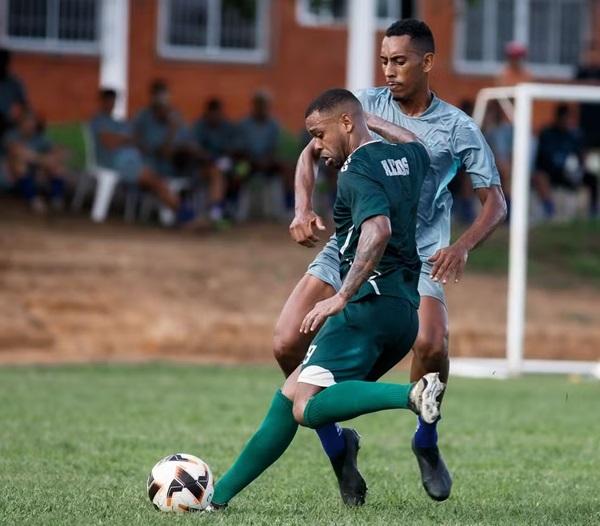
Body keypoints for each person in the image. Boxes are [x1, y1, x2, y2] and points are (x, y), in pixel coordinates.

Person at [276, 19, 507, 504]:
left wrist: (461, 245)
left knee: (432, 342)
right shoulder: (359, 106)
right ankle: (338, 446)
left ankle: (426, 441)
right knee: (284, 341)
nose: (389, 71)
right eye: (383, 60)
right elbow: (310, 152)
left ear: (426, 62)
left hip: (417, 252)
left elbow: (495, 203)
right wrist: (302, 207)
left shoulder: (457, 127)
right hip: (353, 245)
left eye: (399, 61)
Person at [208, 88, 444, 510]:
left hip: (365, 309)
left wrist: (341, 297)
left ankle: (411, 396)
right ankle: (217, 498)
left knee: (306, 406)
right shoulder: (407, 159)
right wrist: (370, 122)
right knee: (290, 393)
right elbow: (416, 144)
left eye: (319, 134)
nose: (315, 146)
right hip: (403, 312)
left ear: (347, 124)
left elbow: (378, 230)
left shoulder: (357, 172)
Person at [89, 88, 189, 220]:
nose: (111, 104)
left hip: (132, 161)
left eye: (113, 101)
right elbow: (109, 143)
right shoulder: (98, 121)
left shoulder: (119, 122)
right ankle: (185, 215)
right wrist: (126, 139)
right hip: (114, 164)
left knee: (158, 182)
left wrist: (123, 139)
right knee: (156, 182)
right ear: (101, 101)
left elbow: (135, 140)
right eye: (108, 101)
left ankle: (180, 215)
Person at [133, 80, 225, 223]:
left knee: (215, 171)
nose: (163, 104)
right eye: (159, 99)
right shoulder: (144, 119)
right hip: (159, 169)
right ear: (152, 99)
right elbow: (162, 152)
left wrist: (198, 153)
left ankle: (215, 215)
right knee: (157, 182)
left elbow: (190, 142)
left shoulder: (176, 116)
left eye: (165, 99)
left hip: (184, 165)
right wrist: (171, 131)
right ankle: (189, 219)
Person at [534, 104, 598, 218]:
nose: (569, 121)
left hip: (572, 172)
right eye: (567, 118)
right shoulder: (548, 133)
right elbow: (544, 158)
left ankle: (593, 211)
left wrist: (581, 162)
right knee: (540, 176)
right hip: (553, 171)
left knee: (591, 178)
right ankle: (549, 209)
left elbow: (582, 153)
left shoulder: (575, 134)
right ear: (559, 118)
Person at [5, 109, 68, 212]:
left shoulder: (40, 138)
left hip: (35, 173)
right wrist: (45, 160)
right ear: (20, 123)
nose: (30, 125)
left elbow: (62, 152)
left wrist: (52, 158)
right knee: (20, 163)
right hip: (9, 175)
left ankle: (56, 199)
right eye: (27, 121)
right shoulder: (11, 135)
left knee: (58, 167)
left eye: (33, 122)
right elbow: (19, 152)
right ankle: (33, 200)